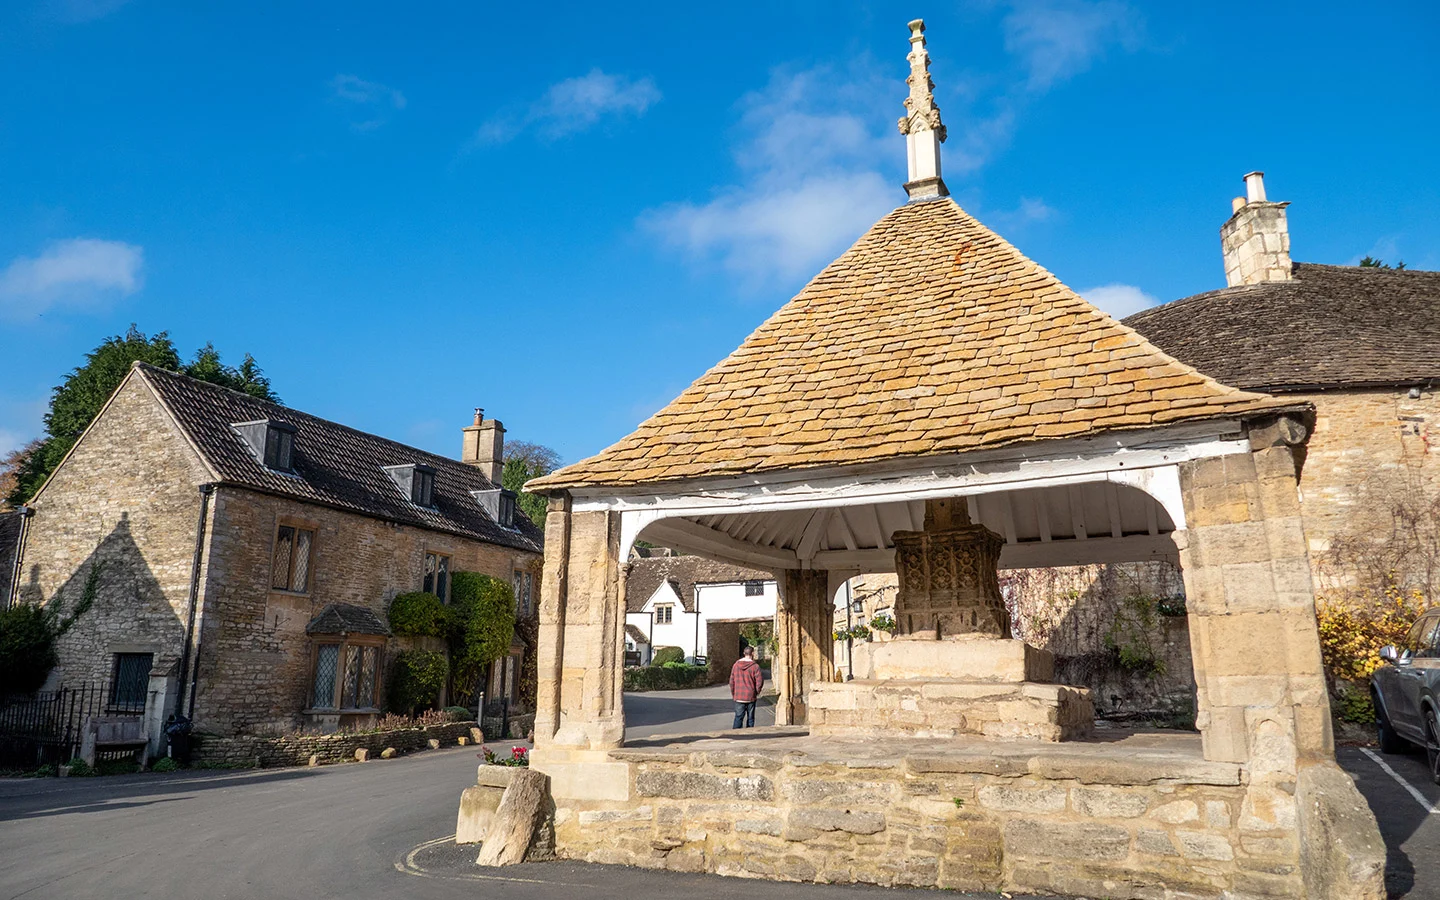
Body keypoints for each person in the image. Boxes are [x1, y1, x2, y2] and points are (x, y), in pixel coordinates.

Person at [729, 645, 765, 728]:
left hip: (739, 695)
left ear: (744, 653)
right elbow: (759, 682)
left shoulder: (735, 665)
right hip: (750, 695)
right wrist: (756, 692)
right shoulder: (755, 666)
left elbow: (731, 681)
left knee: (738, 717)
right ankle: (749, 734)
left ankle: (736, 735)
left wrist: (734, 693)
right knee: (750, 718)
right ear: (752, 653)